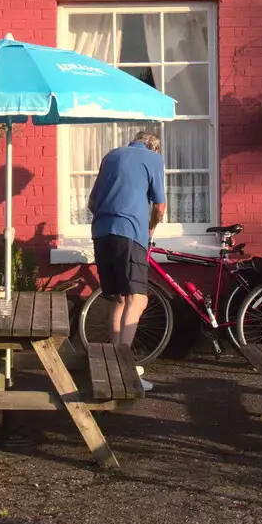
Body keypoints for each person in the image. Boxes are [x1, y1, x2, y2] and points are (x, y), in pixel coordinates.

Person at [88, 130, 166, 389]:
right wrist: (150, 228)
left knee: (118, 299)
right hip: (130, 233)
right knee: (138, 299)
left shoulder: (111, 156)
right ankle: (124, 369)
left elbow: (91, 202)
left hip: (101, 233)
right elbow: (159, 207)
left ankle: (113, 366)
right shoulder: (153, 159)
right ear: (154, 148)